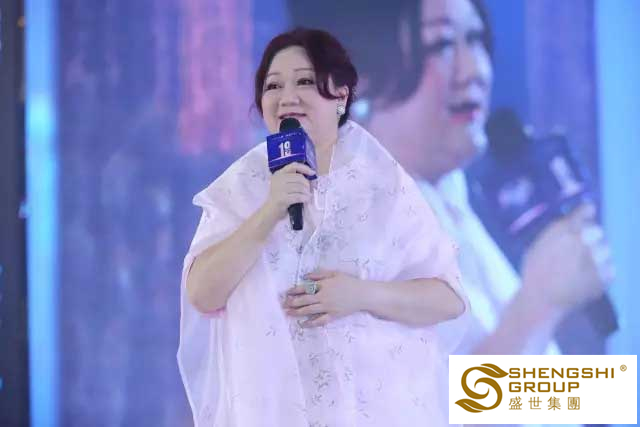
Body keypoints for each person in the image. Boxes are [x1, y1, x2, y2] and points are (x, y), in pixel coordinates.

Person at [177, 28, 468, 426]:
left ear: (341, 96)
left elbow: (448, 299)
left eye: (304, 82)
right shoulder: (241, 187)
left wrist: (360, 294)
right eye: (273, 86)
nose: (287, 97)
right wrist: (270, 209)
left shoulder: (382, 184)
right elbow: (201, 293)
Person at [288, 0, 613, 356]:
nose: (474, 70)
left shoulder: (450, 199)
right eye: (441, 45)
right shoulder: (353, 224)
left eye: (474, 39)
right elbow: (433, 392)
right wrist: (538, 308)